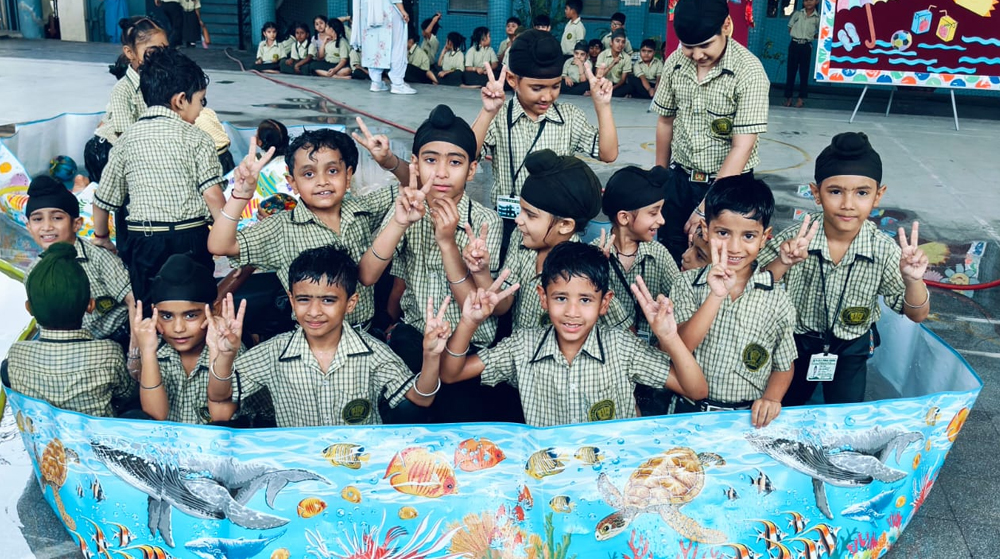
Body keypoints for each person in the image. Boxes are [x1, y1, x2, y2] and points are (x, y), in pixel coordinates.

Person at [439, 241, 709, 427]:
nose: (572, 312)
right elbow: (451, 374)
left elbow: (696, 390)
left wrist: (669, 337)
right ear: (543, 298)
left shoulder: (621, 346)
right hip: (550, 473)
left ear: (604, 303)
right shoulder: (523, 346)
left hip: (610, 467)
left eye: (585, 300)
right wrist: (469, 323)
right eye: (560, 298)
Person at [358, 105, 511, 423]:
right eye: (430, 160)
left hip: (469, 344)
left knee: (462, 423)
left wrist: (447, 242)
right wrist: (400, 222)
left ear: (471, 170)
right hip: (416, 336)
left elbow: (477, 306)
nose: (441, 173)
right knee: (403, 415)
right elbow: (368, 275)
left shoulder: (485, 221)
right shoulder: (407, 206)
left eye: (455, 162)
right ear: (414, 164)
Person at [759, 132, 930, 406]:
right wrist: (783, 263)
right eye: (835, 191)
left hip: (852, 347)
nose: (848, 204)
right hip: (795, 344)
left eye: (862, 193)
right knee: (784, 410)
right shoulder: (794, 240)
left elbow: (917, 314)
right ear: (816, 193)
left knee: (846, 414)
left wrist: (913, 280)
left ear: (878, 195)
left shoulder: (883, 250)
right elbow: (755, 289)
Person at [206, 246, 451, 427]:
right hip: (301, 464)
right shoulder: (273, 352)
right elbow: (220, 397)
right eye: (304, 299)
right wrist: (224, 356)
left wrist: (431, 355)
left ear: (351, 303)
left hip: (359, 462)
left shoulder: (372, 352)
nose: (314, 312)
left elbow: (420, 399)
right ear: (291, 300)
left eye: (328, 300)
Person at [208, 129, 393, 332]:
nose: (322, 181)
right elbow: (220, 245)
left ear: (348, 176)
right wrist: (241, 195)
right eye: (309, 174)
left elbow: (411, 188)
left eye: (332, 171)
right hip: (310, 337)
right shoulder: (281, 228)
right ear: (293, 183)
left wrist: (390, 162)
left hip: (364, 331)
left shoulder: (363, 210)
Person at [91, 47, 224, 303]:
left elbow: (102, 200)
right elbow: (213, 196)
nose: (201, 110)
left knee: (149, 307)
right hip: (190, 238)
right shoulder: (198, 138)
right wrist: (227, 236)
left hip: (144, 242)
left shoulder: (126, 140)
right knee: (197, 305)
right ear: (181, 100)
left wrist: (102, 237)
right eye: (201, 101)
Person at [472, 29, 617, 260]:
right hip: (510, 222)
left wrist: (602, 105)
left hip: (554, 231)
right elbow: (468, 156)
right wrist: (488, 111)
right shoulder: (499, 117)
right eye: (537, 88)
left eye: (555, 86)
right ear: (512, 80)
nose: (547, 96)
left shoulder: (569, 117)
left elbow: (608, 154)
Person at [671, 175, 796, 428]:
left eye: (748, 236)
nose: (734, 247)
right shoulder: (686, 284)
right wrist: (715, 296)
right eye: (723, 233)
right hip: (688, 412)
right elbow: (680, 347)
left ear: (765, 237)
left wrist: (772, 398)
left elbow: (784, 364)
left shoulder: (777, 299)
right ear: (705, 230)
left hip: (747, 419)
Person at [652, 0, 770, 262]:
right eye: (688, 46)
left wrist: (707, 206)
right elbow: (665, 122)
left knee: (718, 258)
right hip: (680, 179)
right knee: (671, 249)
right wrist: (660, 180)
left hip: (729, 187)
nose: (697, 55)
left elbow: (742, 146)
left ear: (726, 26)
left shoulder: (748, 71)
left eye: (705, 45)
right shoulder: (675, 64)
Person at [468, 150, 629, 331]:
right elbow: (502, 304)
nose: (518, 220)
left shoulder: (584, 267)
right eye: (521, 210)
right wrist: (481, 271)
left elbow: (624, 328)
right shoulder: (520, 240)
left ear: (565, 225)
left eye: (530, 215)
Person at [130, 256, 273, 425]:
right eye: (167, 316)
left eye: (191, 315)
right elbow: (155, 416)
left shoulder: (229, 349)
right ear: (154, 313)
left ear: (215, 310)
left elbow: (221, 418)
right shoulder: (157, 351)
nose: (178, 328)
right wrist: (147, 352)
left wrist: (217, 352)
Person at [3, 243, 136, 417]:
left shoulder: (16, 354)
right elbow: (126, 392)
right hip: (93, 435)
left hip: (43, 434)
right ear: (90, 305)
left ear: (29, 308)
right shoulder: (109, 352)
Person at [24, 176, 137, 352]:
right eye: (37, 219)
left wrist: (135, 353)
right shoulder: (34, 272)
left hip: (118, 336)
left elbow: (133, 300)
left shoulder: (98, 258)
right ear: (29, 227)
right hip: (69, 344)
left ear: (76, 224)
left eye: (57, 218)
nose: (47, 227)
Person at [599, 165, 680, 342]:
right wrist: (595, 270)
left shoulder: (659, 254)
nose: (662, 220)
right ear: (624, 217)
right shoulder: (595, 254)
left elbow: (680, 298)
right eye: (653, 213)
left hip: (651, 348)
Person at [86, 17, 169, 186]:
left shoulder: (162, 81)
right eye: (153, 51)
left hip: (140, 147)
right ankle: (84, 184)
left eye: (165, 50)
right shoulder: (123, 90)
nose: (161, 57)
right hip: (106, 151)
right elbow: (126, 136)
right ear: (130, 53)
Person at [351, 0, 416, 95]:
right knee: (396, 45)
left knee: (373, 46)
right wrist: (402, 10)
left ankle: (376, 82)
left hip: (367, 11)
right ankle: (397, 83)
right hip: (387, 10)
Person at [784, 0, 820, 108]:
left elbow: (821, 32)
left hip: (806, 46)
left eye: (811, 0)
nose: (808, 2)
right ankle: (788, 98)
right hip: (794, 44)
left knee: (804, 73)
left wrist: (810, 37)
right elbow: (790, 27)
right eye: (806, 0)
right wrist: (796, 35)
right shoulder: (797, 14)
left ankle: (801, 99)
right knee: (791, 71)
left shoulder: (817, 18)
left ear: (817, 2)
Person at [596, 29, 632, 97]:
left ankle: (608, 93)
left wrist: (612, 88)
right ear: (611, 42)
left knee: (629, 87)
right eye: (617, 41)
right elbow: (598, 76)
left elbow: (623, 80)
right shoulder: (602, 55)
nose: (620, 44)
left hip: (617, 86)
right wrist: (612, 64)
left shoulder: (626, 58)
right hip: (603, 83)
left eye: (623, 42)